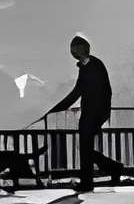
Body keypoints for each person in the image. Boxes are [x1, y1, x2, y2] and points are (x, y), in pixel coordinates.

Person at [45, 34, 121, 191]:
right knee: (85, 149)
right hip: (91, 114)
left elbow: (80, 93)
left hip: (93, 114)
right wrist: (55, 108)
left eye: (74, 49)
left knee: (85, 149)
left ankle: (90, 182)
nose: (73, 52)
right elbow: (79, 92)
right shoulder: (89, 66)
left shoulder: (93, 66)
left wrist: (55, 108)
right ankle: (112, 168)